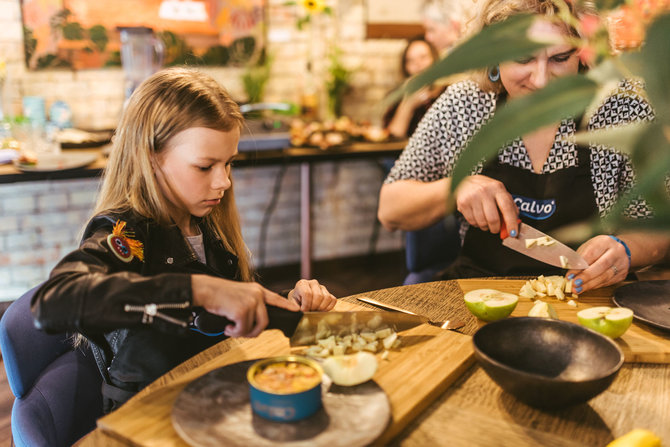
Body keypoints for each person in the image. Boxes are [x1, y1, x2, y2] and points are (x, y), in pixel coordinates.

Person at [31, 67, 337, 412]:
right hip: (151, 413)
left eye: (228, 164)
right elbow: (54, 302)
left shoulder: (204, 224)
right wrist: (200, 289)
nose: (224, 182)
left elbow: (213, 319)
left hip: (210, 393)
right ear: (151, 157)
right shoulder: (126, 233)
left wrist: (287, 302)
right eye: (205, 167)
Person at [378, 0, 670, 293]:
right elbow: (390, 209)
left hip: (593, 298)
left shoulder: (619, 108)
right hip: (481, 293)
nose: (541, 80)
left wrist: (626, 249)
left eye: (559, 58)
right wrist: (455, 189)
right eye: (522, 58)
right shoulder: (464, 105)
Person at [383, 36, 444, 139]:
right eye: (410, 60)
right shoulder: (395, 97)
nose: (417, 64)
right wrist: (408, 104)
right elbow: (392, 138)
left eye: (423, 57)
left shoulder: (447, 93)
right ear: (405, 67)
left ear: (435, 59)